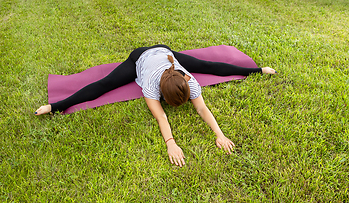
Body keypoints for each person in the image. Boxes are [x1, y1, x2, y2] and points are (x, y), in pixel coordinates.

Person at [35, 45, 277, 167]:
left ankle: (258, 70)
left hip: (166, 52)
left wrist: (220, 135)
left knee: (209, 65)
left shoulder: (189, 81)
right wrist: (171, 144)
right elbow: (161, 118)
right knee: (105, 84)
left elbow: (203, 109)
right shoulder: (151, 87)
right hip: (140, 57)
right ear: (161, 94)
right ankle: (54, 105)